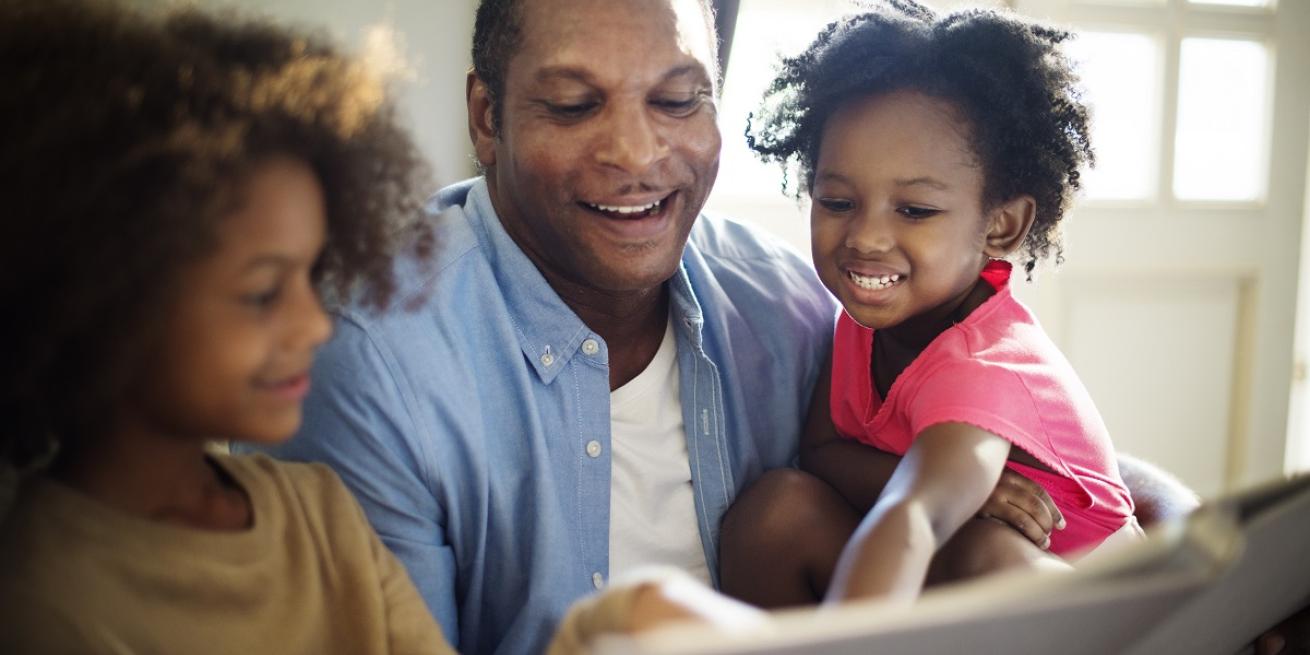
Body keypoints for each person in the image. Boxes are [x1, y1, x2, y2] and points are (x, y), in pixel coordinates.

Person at [255, 0, 1199, 652]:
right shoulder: (371, 354)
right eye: (575, 104)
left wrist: (1199, 538)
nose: (635, 153)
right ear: (487, 117)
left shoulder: (780, 300)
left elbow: (1019, 441)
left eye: (677, 99)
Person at [0, 1, 754, 652]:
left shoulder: (312, 514)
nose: (315, 319)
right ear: (104, 296)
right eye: (264, 293)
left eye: (680, 99)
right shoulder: (44, 600)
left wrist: (634, 614)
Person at [719, 0, 1143, 606]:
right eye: (837, 201)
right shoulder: (868, 321)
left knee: (986, 553)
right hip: (951, 577)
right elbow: (822, 452)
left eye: (915, 211)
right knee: (777, 510)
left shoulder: (982, 369)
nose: (865, 238)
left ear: (1001, 226)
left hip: (1108, 611)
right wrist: (976, 495)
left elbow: (913, 518)